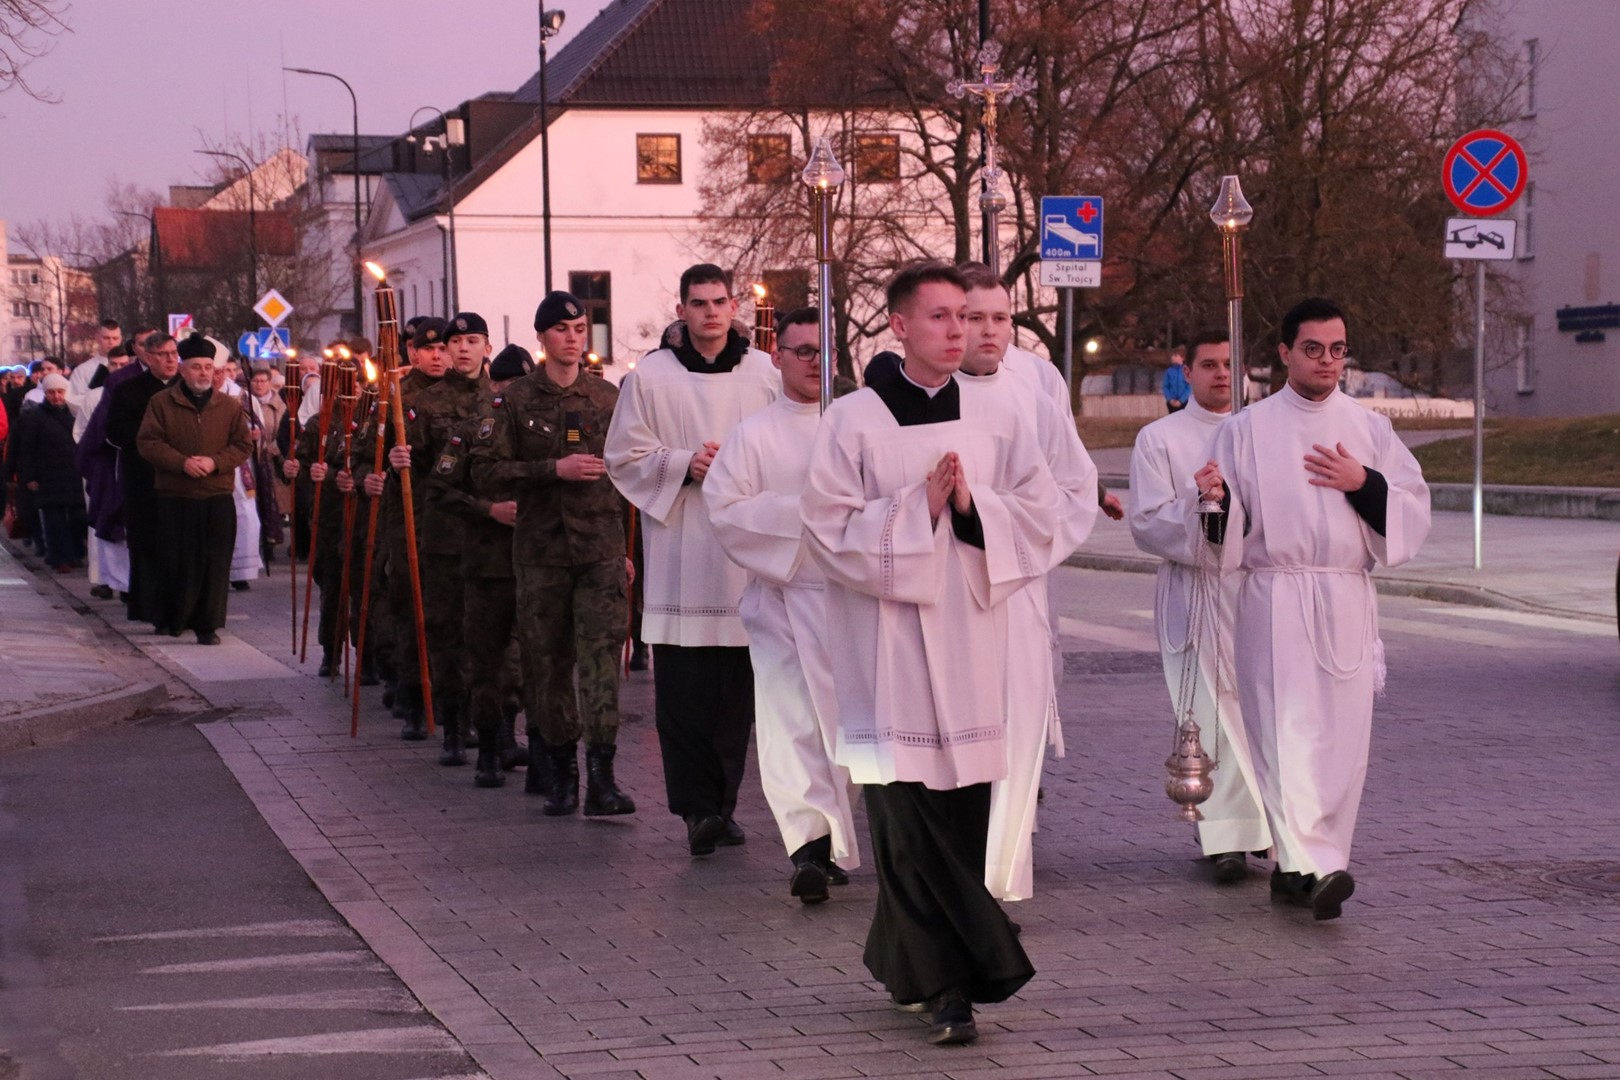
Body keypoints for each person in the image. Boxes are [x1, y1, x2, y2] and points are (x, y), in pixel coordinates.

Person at [801, 262, 1059, 1045]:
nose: (957, 331)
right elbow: (825, 527)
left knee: (959, 812)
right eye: (941, 317)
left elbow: (1042, 512)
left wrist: (974, 508)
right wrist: (917, 509)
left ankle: (904, 958)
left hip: (970, 637)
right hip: (888, 651)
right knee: (906, 820)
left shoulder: (1001, 417)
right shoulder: (852, 420)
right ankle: (956, 983)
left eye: (967, 317)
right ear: (899, 327)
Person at [1202, 297, 1430, 920]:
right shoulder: (1245, 429)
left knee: (1340, 738)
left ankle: (1304, 864)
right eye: (1313, 349)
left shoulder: (1369, 428)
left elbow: (1412, 507)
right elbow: (1223, 525)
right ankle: (1314, 863)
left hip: (1344, 593)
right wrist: (1213, 502)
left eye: (1337, 349)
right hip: (1274, 592)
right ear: (1283, 353)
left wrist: (1366, 485)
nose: (1327, 361)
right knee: (1284, 733)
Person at [605, 264, 779, 856]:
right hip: (681, 551)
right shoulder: (650, 378)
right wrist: (684, 464)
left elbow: (786, 448)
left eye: (719, 302)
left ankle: (723, 805)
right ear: (680, 309)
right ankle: (695, 809)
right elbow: (624, 456)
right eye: (697, 303)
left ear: (735, 308)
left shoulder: (765, 375)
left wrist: (741, 468)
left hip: (743, 560)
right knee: (682, 699)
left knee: (735, 701)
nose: (709, 313)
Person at [704, 307, 860, 904]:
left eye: (824, 352)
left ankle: (836, 834)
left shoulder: (859, 424)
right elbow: (726, 509)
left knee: (847, 727)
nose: (815, 363)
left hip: (850, 598)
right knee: (790, 721)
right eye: (802, 352)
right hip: (784, 596)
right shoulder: (755, 433)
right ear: (778, 358)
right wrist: (803, 516)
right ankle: (808, 848)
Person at [955, 264, 1099, 903]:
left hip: (1016, 591)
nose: (989, 331)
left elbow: (1074, 489)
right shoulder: (918, 395)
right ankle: (955, 880)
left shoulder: (1035, 394)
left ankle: (1001, 881)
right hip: (948, 598)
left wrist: (1003, 528)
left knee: (1014, 740)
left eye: (1001, 318)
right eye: (974, 317)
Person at [474, 294, 637, 813]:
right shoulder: (513, 401)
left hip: (600, 554)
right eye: (562, 329)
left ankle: (603, 779)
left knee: (600, 665)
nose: (572, 336)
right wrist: (551, 470)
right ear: (542, 337)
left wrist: (626, 549)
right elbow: (484, 470)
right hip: (542, 555)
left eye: (580, 327)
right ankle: (562, 773)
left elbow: (630, 476)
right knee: (547, 666)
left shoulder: (608, 399)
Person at [1129, 329, 1271, 884]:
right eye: (1207, 364)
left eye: (1229, 364)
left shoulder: (1261, 433)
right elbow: (1146, 521)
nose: (1220, 374)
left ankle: (1264, 826)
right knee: (1209, 714)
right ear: (1184, 372)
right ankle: (1225, 835)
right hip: (1194, 589)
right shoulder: (1159, 438)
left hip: (1254, 589)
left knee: (1258, 710)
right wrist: (1201, 500)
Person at [434, 342, 534, 788]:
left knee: (534, 662)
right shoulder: (471, 432)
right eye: (510, 384)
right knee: (488, 661)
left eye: (524, 385)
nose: (516, 393)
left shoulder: (543, 434)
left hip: (537, 563)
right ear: (495, 384)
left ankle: (531, 746)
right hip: (486, 565)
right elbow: (439, 490)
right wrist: (487, 510)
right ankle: (489, 748)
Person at [358, 317, 449, 738]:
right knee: (408, 604)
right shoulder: (392, 396)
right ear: (412, 352)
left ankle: (450, 696)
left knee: (447, 610)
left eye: (443, 348)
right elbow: (363, 453)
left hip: (451, 519)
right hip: (405, 519)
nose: (437, 356)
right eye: (427, 349)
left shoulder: (466, 394)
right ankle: (411, 691)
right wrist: (370, 475)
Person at [135, 335, 253, 644]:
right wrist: (181, 462)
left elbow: (243, 444)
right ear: (183, 370)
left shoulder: (228, 406)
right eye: (196, 367)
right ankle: (174, 618)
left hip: (216, 494)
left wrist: (214, 462)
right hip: (176, 495)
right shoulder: (161, 403)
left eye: (208, 367)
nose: (203, 373)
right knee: (176, 561)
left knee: (215, 563)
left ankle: (208, 625)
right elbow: (148, 442)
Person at [106, 333, 181, 628]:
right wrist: (151, 442)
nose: (171, 359)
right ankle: (150, 608)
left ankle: (181, 608)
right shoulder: (128, 390)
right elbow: (114, 430)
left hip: (181, 479)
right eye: (163, 354)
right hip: (143, 479)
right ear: (148, 358)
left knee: (179, 545)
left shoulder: (185, 388)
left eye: (174, 353)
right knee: (148, 544)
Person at [15, 373, 85, 571]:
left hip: (73, 474)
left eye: (60, 392)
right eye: (51, 392)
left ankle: (75, 553)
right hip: (48, 476)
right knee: (54, 521)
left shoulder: (74, 412)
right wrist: (29, 477)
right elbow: (27, 448)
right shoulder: (36, 416)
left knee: (77, 518)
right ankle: (59, 557)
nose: (56, 396)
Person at [212, 344, 264, 590]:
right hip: (208, 462)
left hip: (237, 466)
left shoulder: (240, 395)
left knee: (244, 515)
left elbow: (259, 425)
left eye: (221, 371)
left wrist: (256, 434)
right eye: (212, 371)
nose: (217, 376)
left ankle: (241, 571)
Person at [67, 319, 123, 432]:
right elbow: (72, 401)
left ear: (121, 339)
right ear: (97, 338)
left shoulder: (131, 367)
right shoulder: (83, 370)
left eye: (115, 338)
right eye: (106, 338)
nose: (111, 342)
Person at [1162, 345, 1190, 413]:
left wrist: (1181, 400)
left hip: (1184, 403)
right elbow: (1165, 386)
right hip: (1171, 403)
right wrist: (1170, 399)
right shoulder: (1169, 371)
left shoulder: (1186, 370)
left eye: (1175, 355)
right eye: (1172, 355)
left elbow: (1189, 387)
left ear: (1182, 358)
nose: (1172, 357)